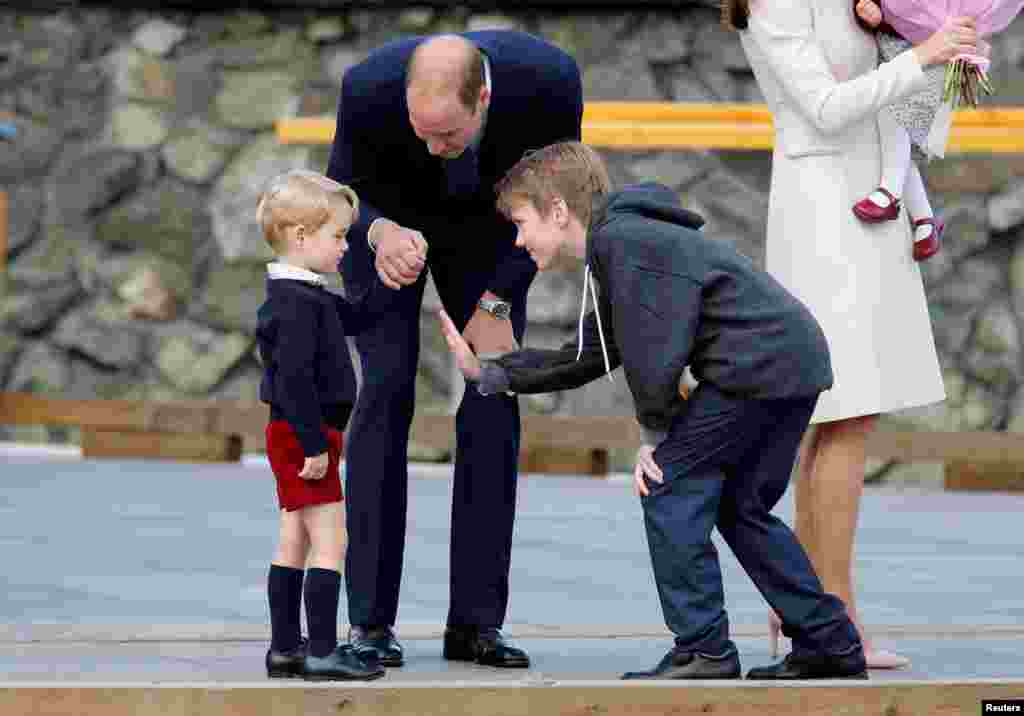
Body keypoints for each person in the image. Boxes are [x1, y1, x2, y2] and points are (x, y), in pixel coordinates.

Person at [439, 141, 868, 680]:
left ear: (557, 211)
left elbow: (655, 351)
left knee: (667, 484)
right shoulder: (622, 244)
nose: (518, 238)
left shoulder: (626, 242)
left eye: (521, 222)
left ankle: (705, 649)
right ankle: (828, 642)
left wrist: (657, 434)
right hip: (788, 362)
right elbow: (595, 354)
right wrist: (492, 373)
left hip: (756, 368)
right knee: (740, 506)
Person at [724, 0, 977, 668]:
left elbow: (897, 104)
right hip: (820, 206)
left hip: (873, 201)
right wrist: (925, 54)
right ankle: (830, 616)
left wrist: (949, 61)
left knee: (845, 417)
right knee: (843, 409)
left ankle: (813, 610)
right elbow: (826, 107)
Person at [325, 31, 583, 668]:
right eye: (421, 131)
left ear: (485, 96)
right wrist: (380, 232)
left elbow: (554, 204)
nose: (434, 147)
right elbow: (341, 192)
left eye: (448, 135)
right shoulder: (366, 85)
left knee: (491, 391)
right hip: (388, 238)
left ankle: (476, 624)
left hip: (491, 242)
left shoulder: (549, 81)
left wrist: (495, 302)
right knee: (385, 389)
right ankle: (370, 624)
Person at [255, 170, 389, 682]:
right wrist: (314, 444)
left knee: (295, 537)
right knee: (332, 541)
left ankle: (287, 647)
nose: (343, 247)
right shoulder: (294, 305)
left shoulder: (307, 295)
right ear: (300, 237)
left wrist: (385, 274)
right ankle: (323, 651)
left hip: (298, 436)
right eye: (338, 236)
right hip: (304, 436)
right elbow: (290, 382)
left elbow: (356, 317)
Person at [850, 0, 954, 261]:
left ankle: (890, 193)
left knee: (892, 112)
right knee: (896, 140)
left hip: (930, 53)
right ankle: (925, 220)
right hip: (897, 48)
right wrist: (872, 15)